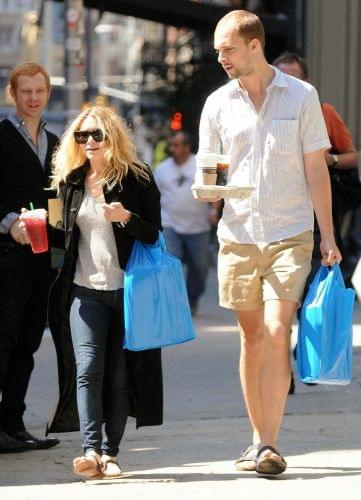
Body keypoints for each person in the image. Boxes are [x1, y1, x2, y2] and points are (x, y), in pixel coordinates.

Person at [197, 10, 341, 475]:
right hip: (238, 235)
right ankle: (256, 438)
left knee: (279, 331)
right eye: (218, 49)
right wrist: (209, 191)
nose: (220, 57)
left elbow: (316, 168)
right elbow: (213, 172)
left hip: (289, 232)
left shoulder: (301, 96)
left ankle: (270, 444)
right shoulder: (218, 104)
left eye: (228, 48)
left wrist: (329, 237)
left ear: (254, 45)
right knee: (252, 336)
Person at [49, 105, 163, 479]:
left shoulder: (138, 178)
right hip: (85, 291)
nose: (90, 142)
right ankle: (90, 450)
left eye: (97, 134)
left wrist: (126, 218)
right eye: (82, 136)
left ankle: (112, 452)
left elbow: (154, 233)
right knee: (87, 371)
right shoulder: (71, 181)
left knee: (118, 375)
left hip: (127, 291)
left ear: (113, 135)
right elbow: (58, 236)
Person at [273, 52, 359, 392]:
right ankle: (283, 371)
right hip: (277, 221)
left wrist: (331, 159)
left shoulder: (322, 112)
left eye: (297, 78)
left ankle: (303, 354)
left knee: (308, 295)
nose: (290, 84)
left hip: (317, 221)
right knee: (280, 302)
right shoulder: (264, 111)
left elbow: (353, 156)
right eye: (283, 77)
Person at [0, 62, 61, 453]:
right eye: (26, 91)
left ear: (48, 93)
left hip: (42, 262)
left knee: (27, 345)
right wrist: (8, 223)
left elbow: (58, 202)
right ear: (13, 94)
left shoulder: (56, 144)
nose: (33, 98)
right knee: (2, 342)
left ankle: (14, 425)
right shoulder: (1, 137)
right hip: (6, 258)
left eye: (40, 91)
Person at [154, 131, 219, 316]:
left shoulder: (200, 165)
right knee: (170, 265)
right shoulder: (162, 169)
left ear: (187, 147)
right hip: (169, 225)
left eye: (177, 145)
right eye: (171, 145)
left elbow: (214, 190)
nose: (172, 149)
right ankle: (175, 303)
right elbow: (155, 196)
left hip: (198, 227)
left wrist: (214, 211)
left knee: (200, 268)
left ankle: (192, 299)